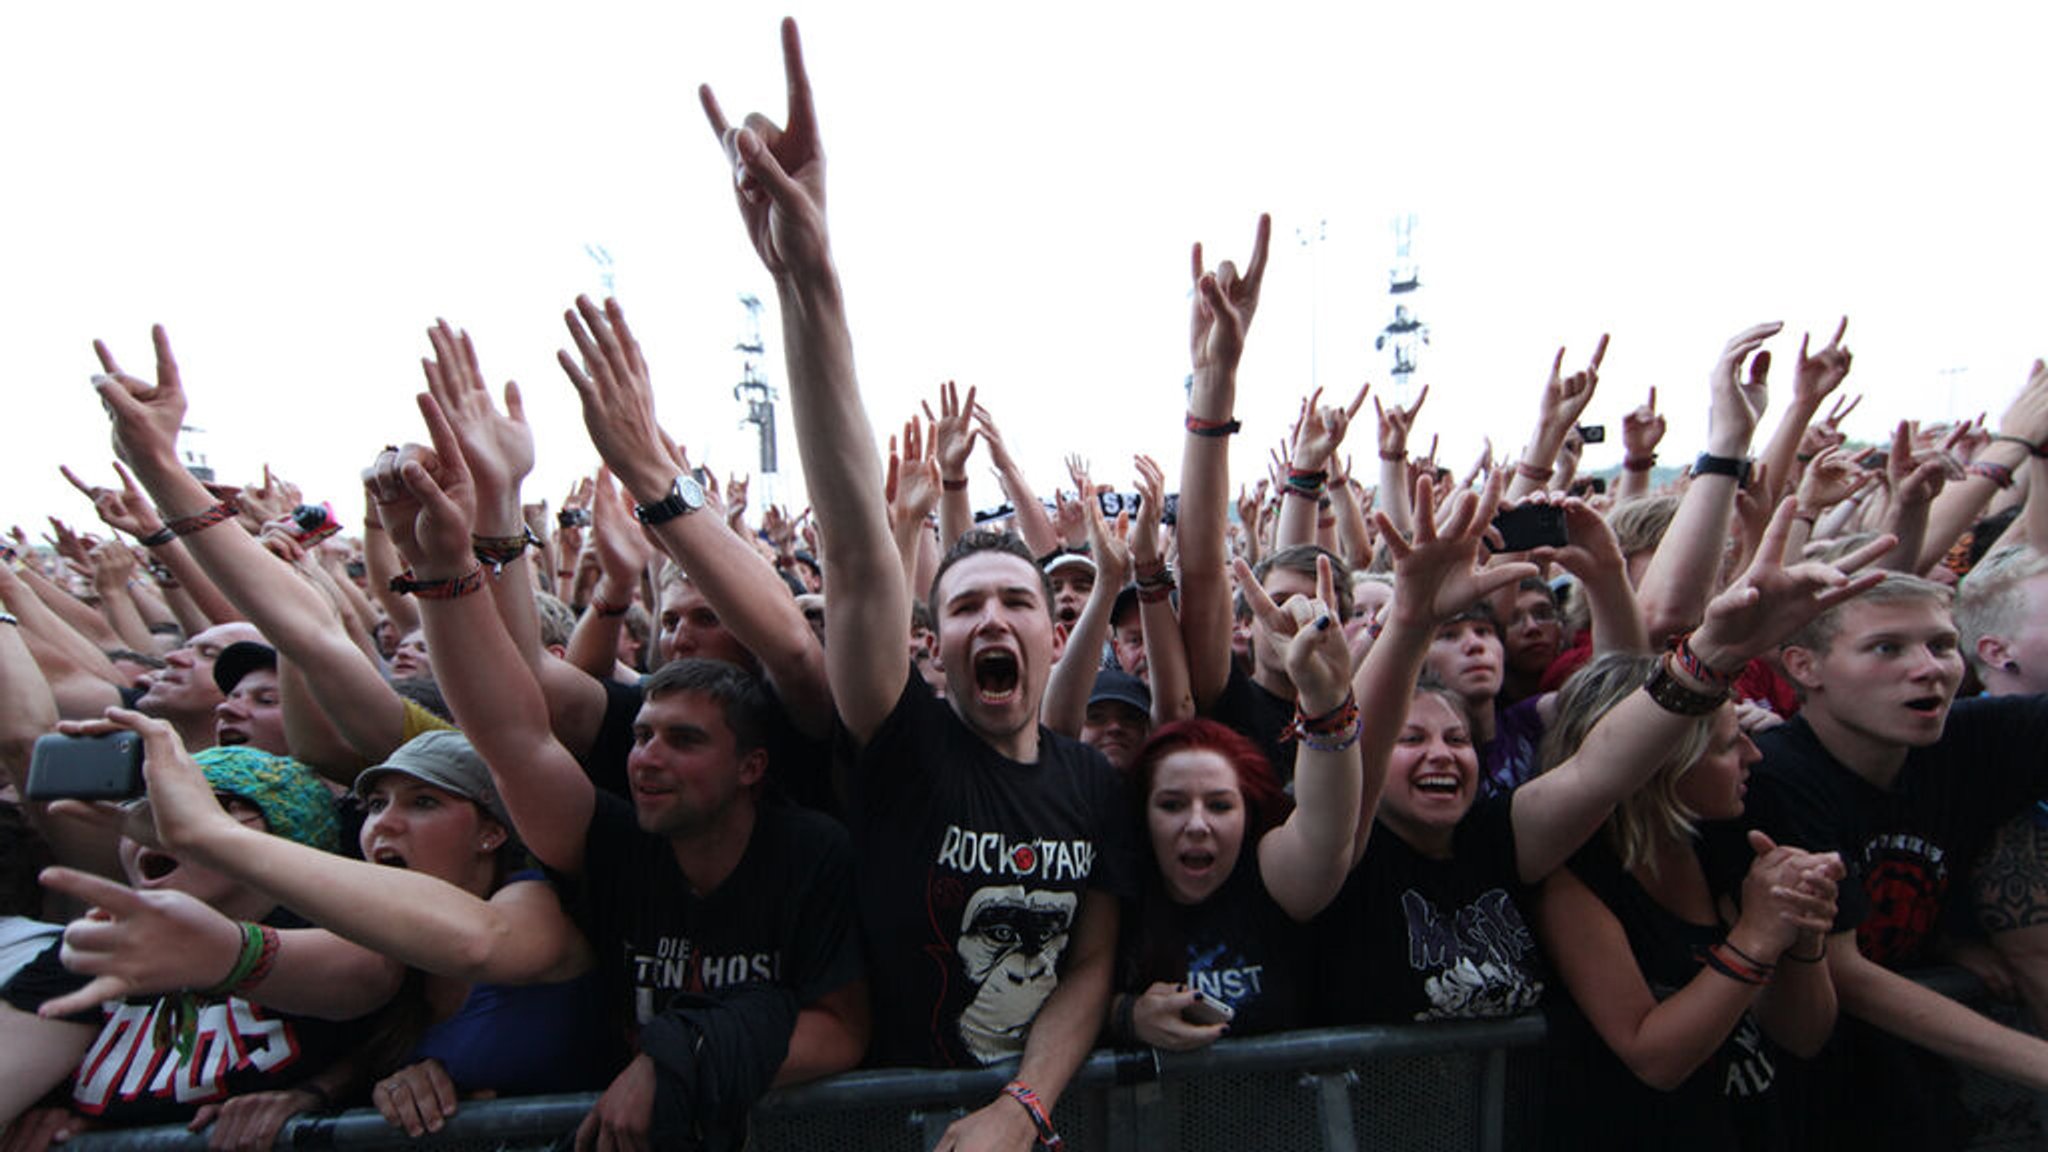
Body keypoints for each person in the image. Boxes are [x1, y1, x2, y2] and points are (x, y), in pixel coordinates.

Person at [700, 21, 1131, 1150]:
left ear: (1049, 633)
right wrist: (812, 283)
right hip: (877, 1120)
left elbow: (1088, 967)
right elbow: (850, 551)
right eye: (963, 606)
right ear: (928, 646)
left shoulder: (1091, 786)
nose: (991, 616)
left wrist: (1019, 1107)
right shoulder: (901, 744)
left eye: (1016, 602)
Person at [361, 388, 867, 1150]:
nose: (647, 759)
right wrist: (451, 558)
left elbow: (841, 1031)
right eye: (641, 737)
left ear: (752, 767)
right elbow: (512, 727)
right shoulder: (619, 844)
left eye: (684, 741)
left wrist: (676, 1061)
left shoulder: (811, 848)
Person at [1316, 498, 1890, 1026]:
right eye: (1411, 740)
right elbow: (1356, 757)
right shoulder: (1337, 865)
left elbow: (1603, 766)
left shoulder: (1492, 840)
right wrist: (1409, 623)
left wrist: (1714, 655)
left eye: (1457, 740)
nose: (1440, 754)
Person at [41, 725, 613, 1139]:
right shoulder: (379, 940)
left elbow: (480, 942)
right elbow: (355, 990)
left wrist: (213, 839)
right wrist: (325, 1092)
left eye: (423, 802)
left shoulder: (534, 899)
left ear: (491, 833)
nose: (382, 823)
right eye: (373, 804)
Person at [1115, 487, 1524, 1048]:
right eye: (1170, 803)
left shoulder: (1271, 883)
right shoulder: (1116, 892)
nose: (1197, 824)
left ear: (1252, 814)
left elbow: (1330, 828)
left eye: (1220, 804)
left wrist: (1329, 701)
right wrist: (1124, 1016)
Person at [1746, 573, 2048, 1150]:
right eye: (1887, 648)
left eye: (1939, 644)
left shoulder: (1970, 739)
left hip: (1913, 1093)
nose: (1930, 667)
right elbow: (1845, 971)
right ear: (1804, 667)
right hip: (1790, 1102)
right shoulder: (1777, 777)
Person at [1533, 653, 1845, 1151]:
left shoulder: (1729, 845)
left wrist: (1803, 935)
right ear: (1659, 766)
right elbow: (1654, 1058)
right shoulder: (1573, 878)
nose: (1754, 754)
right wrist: (1756, 937)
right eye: (1727, 745)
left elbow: (1803, 1036)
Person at [26, 734, 397, 1152]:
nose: (164, 830)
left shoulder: (337, 932)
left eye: (206, 813)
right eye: (147, 811)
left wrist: (317, 1091)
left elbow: (370, 975)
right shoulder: (96, 945)